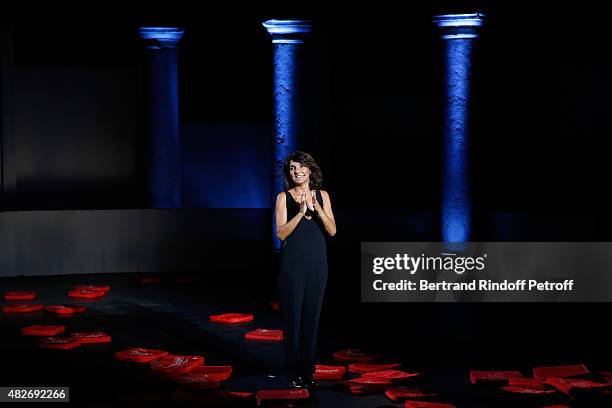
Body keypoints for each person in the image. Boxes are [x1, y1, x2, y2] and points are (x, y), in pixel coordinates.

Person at [274, 151, 336, 390]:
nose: (296, 171)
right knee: (293, 319)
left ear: (310, 170)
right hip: (292, 265)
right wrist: (300, 213)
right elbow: (280, 234)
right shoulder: (283, 197)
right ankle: (293, 371)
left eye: (301, 167)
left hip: (318, 264)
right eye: (292, 168)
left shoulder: (323, 195)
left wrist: (317, 209)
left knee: (312, 318)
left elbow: (332, 231)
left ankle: (307, 370)